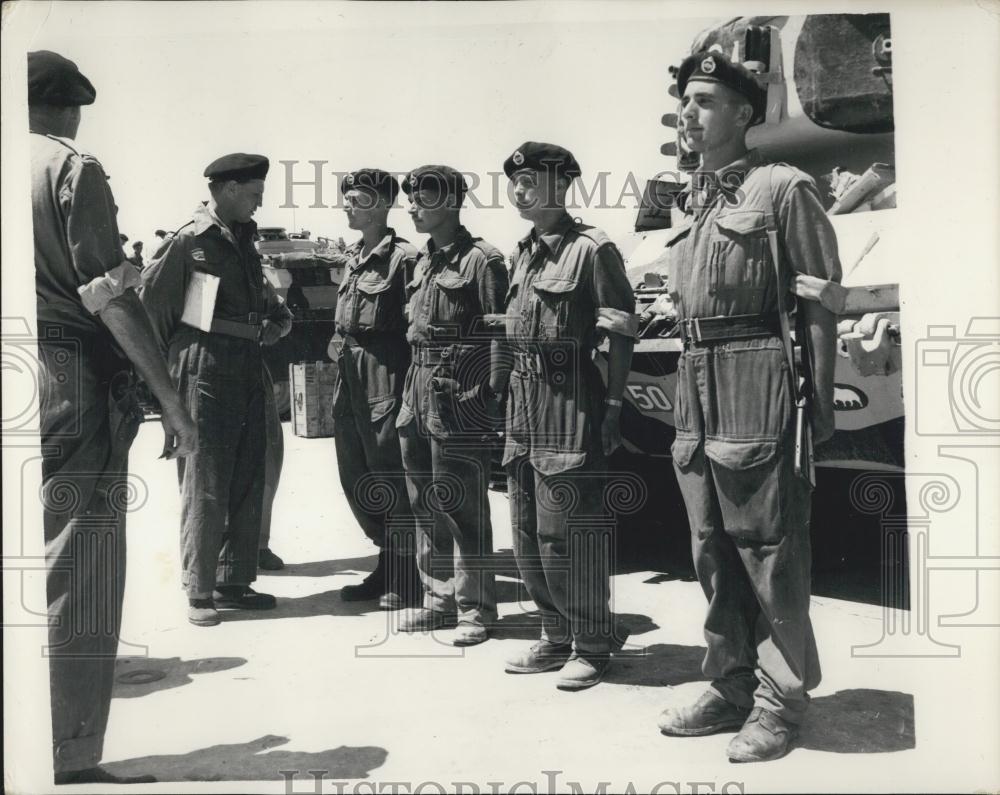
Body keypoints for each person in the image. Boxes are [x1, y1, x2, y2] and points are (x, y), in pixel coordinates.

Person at [656, 51, 841, 763]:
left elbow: (821, 299)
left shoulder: (783, 189)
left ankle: (779, 699)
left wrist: (817, 399)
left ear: (742, 112)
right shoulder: (701, 198)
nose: (689, 114)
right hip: (695, 377)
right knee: (711, 545)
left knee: (769, 546)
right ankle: (731, 682)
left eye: (705, 101)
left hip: (755, 372)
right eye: (685, 101)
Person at [28, 49, 197, 785]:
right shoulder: (69, 167)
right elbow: (106, 292)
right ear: (67, 108)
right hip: (64, 370)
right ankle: (65, 752)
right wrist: (170, 398)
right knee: (77, 565)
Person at [499, 142, 638, 689]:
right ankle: (555, 635)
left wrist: (612, 405)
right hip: (524, 399)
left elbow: (620, 331)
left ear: (561, 187)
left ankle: (593, 641)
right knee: (527, 529)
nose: (519, 190)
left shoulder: (592, 250)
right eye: (515, 182)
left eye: (531, 181)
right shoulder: (525, 252)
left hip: (569, 396)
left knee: (568, 531)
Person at [140, 153, 292, 627]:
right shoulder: (190, 241)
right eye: (252, 194)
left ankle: (233, 579)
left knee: (249, 471)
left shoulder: (245, 240)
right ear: (227, 190)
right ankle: (200, 591)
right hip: (204, 365)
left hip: (248, 363)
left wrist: (277, 320)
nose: (258, 204)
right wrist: (161, 389)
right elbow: (152, 314)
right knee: (206, 478)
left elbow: (265, 300)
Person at [394, 165, 508, 644]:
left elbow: (501, 333)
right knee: (424, 502)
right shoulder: (423, 262)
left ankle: (476, 609)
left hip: (459, 389)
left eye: (423, 198)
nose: (414, 207)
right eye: (412, 199)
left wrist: (492, 395)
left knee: (462, 504)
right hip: (417, 386)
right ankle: (438, 599)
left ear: (452, 203)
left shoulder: (484, 260)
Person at [329, 169, 421, 609]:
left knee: (389, 470)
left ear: (384, 205)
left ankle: (406, 573)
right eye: (346, 197)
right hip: (350, 369)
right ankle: (387, 560)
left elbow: (415, 324)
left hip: (386, 368)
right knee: (356, 470)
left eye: (359, 198)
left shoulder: (404, 258)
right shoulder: (352, 256)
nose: (348, 204)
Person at [257, 360, 285, 571]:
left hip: (254, 364)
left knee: (268, 463)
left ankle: (259, 546)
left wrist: (278, 325)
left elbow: (283, 326)